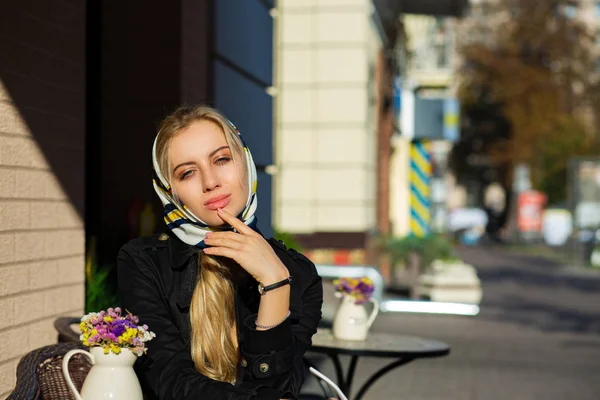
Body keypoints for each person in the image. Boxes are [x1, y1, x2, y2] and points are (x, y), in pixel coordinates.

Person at [117, 105, 324, 399]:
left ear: (246, 162)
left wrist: (275, 282)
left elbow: (276, 385)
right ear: (169, 191)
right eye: (188, 173)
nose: (211, 182)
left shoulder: (299, 275)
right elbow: (172, 382)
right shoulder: (144, 262)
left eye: (222, 159)